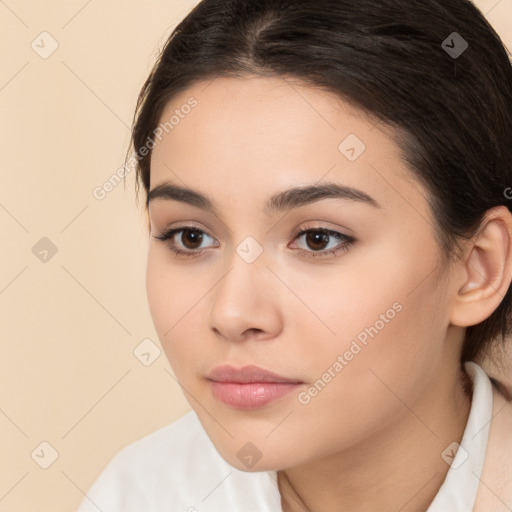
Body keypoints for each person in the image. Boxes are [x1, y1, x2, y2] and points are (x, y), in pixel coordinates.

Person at [76, 0, 512, 510]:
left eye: (318, 239)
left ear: (478, 268)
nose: (233, 314)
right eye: (190, 237)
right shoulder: (140, 495)